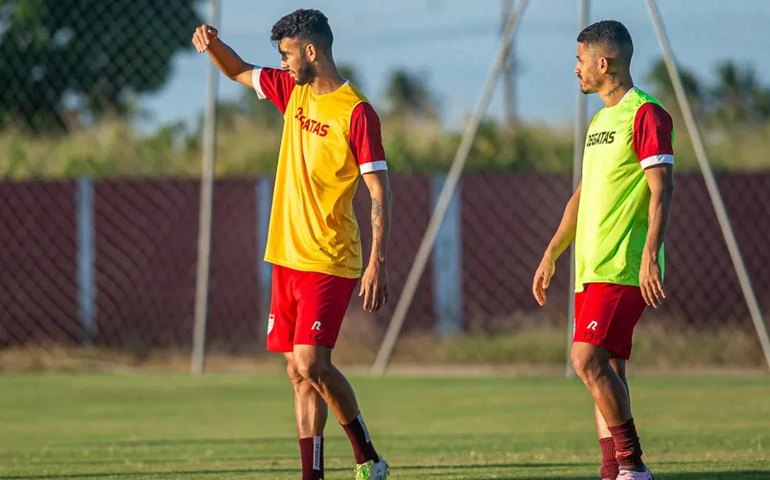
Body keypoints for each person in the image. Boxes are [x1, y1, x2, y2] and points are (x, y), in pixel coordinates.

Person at [192, 9, 391, 480]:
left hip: (330, 258)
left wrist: (378, 261)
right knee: (297, 373)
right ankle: (313, 474)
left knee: (312, 362)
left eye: (285, 54)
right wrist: (211, 45)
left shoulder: (357, 112)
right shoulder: (291, 91)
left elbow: (379, 191)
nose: (280, 63)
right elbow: (239, 70)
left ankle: (367, 457)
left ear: (310, 51)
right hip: (286, 257)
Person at [532, 20, 674, 480]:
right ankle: (613, 471)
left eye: (579, 61)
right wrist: (553, 250)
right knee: (608, 368)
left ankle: (632, 464)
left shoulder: (646, 114)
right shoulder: (598, 121)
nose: (574, 70)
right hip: (590, 267)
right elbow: (583, 193)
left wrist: (651, 253)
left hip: (625, 265)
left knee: (585, 358)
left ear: (603, 63)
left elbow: (662, 188)